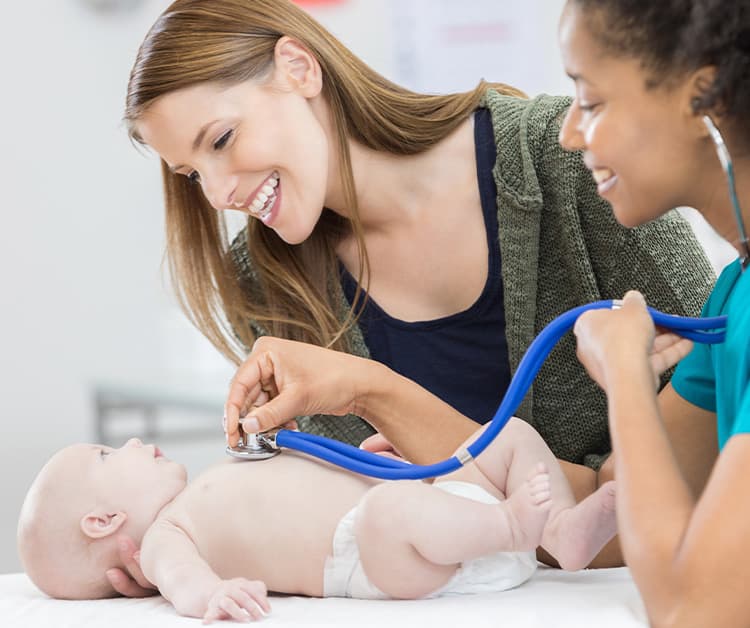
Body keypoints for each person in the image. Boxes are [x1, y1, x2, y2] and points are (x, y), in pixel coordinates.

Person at [118, 0, 715, 592]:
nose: (218, 194)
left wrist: (370, 391)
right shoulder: (264, 284)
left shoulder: (566, 160)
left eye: (221, 140)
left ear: (298, 68)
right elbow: (414, 537)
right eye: (193, 175)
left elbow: (688, 474)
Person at [18, 418, 617, 622]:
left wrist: (365, 461)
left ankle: (561, 534)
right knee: (387, 513)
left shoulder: (205, 486)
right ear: (102, 519)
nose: (126, 441)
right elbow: (181, 582)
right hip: (382, 553)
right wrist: (213, 596)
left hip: (431, 509)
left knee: (505, 435)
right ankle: (515, 530)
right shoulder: (164, 540)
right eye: (105, 454)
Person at [555, 0, 750, 625]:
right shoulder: (733, 295)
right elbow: (623, 517)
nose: (568, 134)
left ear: (703, 99)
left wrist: (625, 377)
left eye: (591, 101)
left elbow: (692, 607)